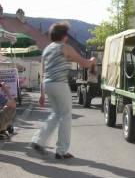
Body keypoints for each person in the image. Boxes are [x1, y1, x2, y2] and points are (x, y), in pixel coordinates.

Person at [31, 22, 96, 159]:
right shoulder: (64, 47)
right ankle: (61, 151)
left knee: (55, 114)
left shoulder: (47, 49)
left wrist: (42, 94)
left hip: (48, 84)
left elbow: (42, 72)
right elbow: (82, 62)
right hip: (60, 84)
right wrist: (92, 60)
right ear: (64, 36)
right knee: (66, 116)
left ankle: (38, 140)